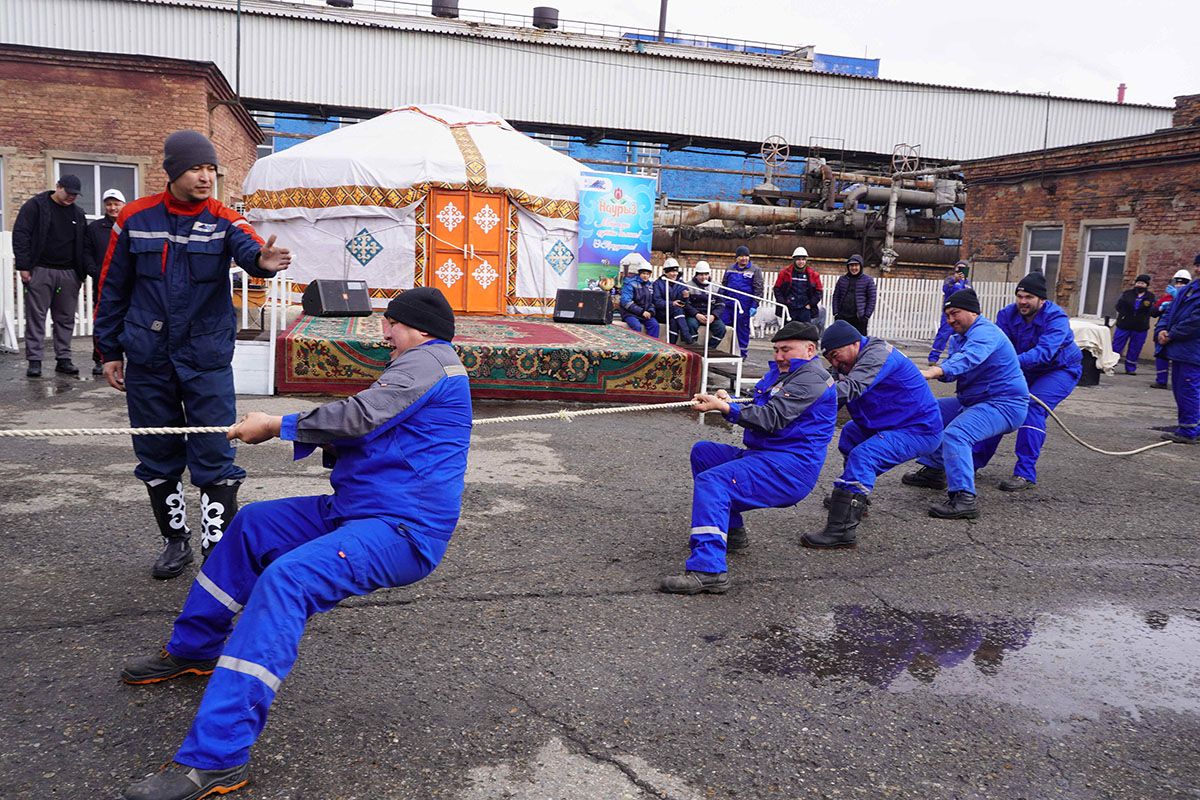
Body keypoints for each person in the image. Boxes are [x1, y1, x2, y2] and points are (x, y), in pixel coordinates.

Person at [118, 288, 471, 800]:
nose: (384, 334)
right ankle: (195, 650)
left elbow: (359, 416)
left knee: (287, 580)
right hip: (359, 510)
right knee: (253, 525)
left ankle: (216, 760)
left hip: (401, 528)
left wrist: (275, 425)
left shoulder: (429, 360)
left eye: (391, 324)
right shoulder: (426, 366)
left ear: (418, 328)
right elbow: (370, 430)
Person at [94, 130, 292, 580]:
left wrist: (261, 262)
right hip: (148, 357)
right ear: (172, 171)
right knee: (156, 453)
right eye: (195, 168)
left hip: (205, 358)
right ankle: (175, 541)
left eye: (210, 169)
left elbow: (249, 247)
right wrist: (109, 350)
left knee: (215, 452)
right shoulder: (134, 218)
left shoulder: (224, 220)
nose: (205, 177)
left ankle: (216, 549)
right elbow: (112, 287)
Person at [659, 321, 837, 594]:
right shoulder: (786, 373)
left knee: (713, 481)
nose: (779, 356)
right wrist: (728, 399)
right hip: (767, 456)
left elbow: (770, 418)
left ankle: (709, 570)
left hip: (789, 468)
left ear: (810, 349)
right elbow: (760, 404)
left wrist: (725, 409)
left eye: (786, 350)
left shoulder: (810, 379)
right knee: (704, 453)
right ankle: (732, 533)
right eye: (776, 350)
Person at [802, 320, 942, 549]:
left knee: (864, 456)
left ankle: (841, 531)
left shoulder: (878, 355)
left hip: (918, 429)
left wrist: (803, 401)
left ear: (854, 343)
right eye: (829, 359)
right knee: (850, 434)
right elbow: (828, 388)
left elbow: (849, 389)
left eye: (835, 355)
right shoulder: (849, 360)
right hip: (891, 423)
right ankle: (856, 498)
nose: (835, 363)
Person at [902, 289, 1028, 519]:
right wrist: (935, 373)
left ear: (973, 312)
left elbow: (970, 357)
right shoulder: (958, 338)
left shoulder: (986, 332)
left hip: (1004, 403)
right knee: (930, 412)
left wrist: (935, 371)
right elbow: (955, 368)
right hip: (974, 401)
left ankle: (964, 499)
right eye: (947, 315)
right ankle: (934, 471)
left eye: (955, 313)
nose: (950, 320)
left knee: (957, 434)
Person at [972, 271, 1082, 491]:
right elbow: (996, 345)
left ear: (1042, 299)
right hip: (1024, 368)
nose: (1023, 301)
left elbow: (1044, 352)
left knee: (1032, 408)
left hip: (1058, 369)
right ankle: (972, 463)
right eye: (1020, 296)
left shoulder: (1056, 318)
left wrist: (1008, 364)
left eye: (1029, 297)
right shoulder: (1007, 314)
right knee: (998, 406)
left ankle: (1024, 473)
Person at [12, 174, 89, 378]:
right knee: (36, 317)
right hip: (40, 270)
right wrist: (24, 266)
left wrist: (80, 273)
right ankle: (34, 361)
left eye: (75, 194)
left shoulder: (78, 213)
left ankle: (63, 359)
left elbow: (84, 244)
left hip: (69, 273)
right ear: (58, 186)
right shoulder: (35, 206)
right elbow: (21, 234)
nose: (71, 197)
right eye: (68, 192)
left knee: (66, 318)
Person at [1154, 254, 1200, 444]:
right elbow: (1169, 312)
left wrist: (1171, 334)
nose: (1198, 269)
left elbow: (1195, 321)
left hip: (1193, 350)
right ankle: (1189, 427)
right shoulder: (1189, 289)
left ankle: (1189, 431)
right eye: (1197, 265)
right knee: (1181, 390)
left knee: (1189, 390)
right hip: (1180, 349)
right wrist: (1161, 330)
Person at [84, 188, 127, 375]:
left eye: (116, 204)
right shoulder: (95, 228)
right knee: (103, 320)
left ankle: (130, 357)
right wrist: (94, 271)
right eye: (109, 204)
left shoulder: (130, 225)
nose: (113, 207)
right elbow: (86, 252)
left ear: (123, 204)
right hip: (103, 283)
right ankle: (100, 358)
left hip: (128, 282)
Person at [1152, 269, 1193, 389]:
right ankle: (1161, 380)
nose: (1179, 285)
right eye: (1177, 283)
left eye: (1182, 283)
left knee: (1179, 358)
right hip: (1164, 330)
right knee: (1161, 356)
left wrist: (1177, 299)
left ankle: (1181, 383)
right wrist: (1160, 309)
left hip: (1180, 332)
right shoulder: (1167, 297)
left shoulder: (1191, 298)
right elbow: (1153, 312)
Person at [720, 245, 764, 359]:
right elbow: (724, 285)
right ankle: (724, 351)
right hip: (728, 304)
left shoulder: (755, 270)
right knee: (724, 327)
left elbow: (758, 289)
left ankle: (741, 354)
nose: (744, 258)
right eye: (741, 256)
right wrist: (721, 300)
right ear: (736, 258)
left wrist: (754, 305)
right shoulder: (730, 269)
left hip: (744, 305)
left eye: (746, 256)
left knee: (742, 329)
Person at [1111, 273, 1157, 375]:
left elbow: (1152, 311)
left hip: (1140, 327)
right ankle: (1110, 365)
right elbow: (1118, 306)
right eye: (1138, 283)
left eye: (1142, 283)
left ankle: (1130, 368)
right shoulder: (1127, 294)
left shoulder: (1150, 297)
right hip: (1124, 325)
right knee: (1117, 346)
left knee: (1135, 348)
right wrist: (1124, 315)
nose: (1140, 285)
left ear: (1146, 285)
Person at [928, 261, 972, 365]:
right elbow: (945, 290)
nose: (960, 271)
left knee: (959, 336)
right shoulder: (949, 280)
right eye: (958, 268)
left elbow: (969, 295)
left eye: (963, 268)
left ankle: (954, 358)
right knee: (943, 334)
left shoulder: (967, 283)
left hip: (961, 313)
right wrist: (954, 280)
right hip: (949, 312)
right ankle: (933, 358)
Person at [773, 245, 823, 324]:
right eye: (798, 259)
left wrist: (811, 304)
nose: (801, 262)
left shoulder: (813, 275)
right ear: (794, 260)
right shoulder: (784, 273)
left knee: (805, 330)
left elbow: (819, 291)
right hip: (789, 309)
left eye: (803, 259)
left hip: (805, 310)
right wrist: (783, 303)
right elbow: (777, 289)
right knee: (789, 330)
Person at [683, 261, 727, 348]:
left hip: (711, 315)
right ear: (696, 274)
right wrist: (696, 314)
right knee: (691, 325)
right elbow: (686, 304)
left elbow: (721, 304)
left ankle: (709, 349)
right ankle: (694, 348)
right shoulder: (688, 286)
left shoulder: (716, 286)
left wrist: (713, 316)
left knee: (721, 328)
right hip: (694, 315)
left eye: (706, 274)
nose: (704, 277)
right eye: (701, 274)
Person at [830, 254, 877, 335]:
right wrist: (836, 313)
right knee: (841, 338)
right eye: (851, 265)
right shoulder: (842, 280)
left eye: (856, 265)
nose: (853, 268)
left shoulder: (868, 280)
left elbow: (872, 299)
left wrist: (866, 316)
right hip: (842, 317)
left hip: (859, 318)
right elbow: (836, 296)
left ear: (860, 266)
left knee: (858, 340)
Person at [653, 258, 691, 343]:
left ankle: (672, 345)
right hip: (662, 313)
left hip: (676, 314)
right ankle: (687, 336)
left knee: (674, 322)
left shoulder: (681, 284)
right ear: (666, 272)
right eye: (672, 271)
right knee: (677, 310)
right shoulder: (658, 283)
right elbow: (657, 302)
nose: (675, 274)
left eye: (676, 271)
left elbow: (685, 304)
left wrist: (685, 297)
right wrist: (672, 303)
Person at [618, 258, 659, 337]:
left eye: (648, 274)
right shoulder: (630, 283)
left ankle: (652, 344)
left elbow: (652, 302)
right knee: (636, 326)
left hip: (645, 314)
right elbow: (625, 302)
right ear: (639, 273)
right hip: (630, 313)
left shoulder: (650, 285)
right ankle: (635, 344)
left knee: (654, 325)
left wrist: (650, 312)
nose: (645, 276)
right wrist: (642, 312)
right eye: (643, 273)